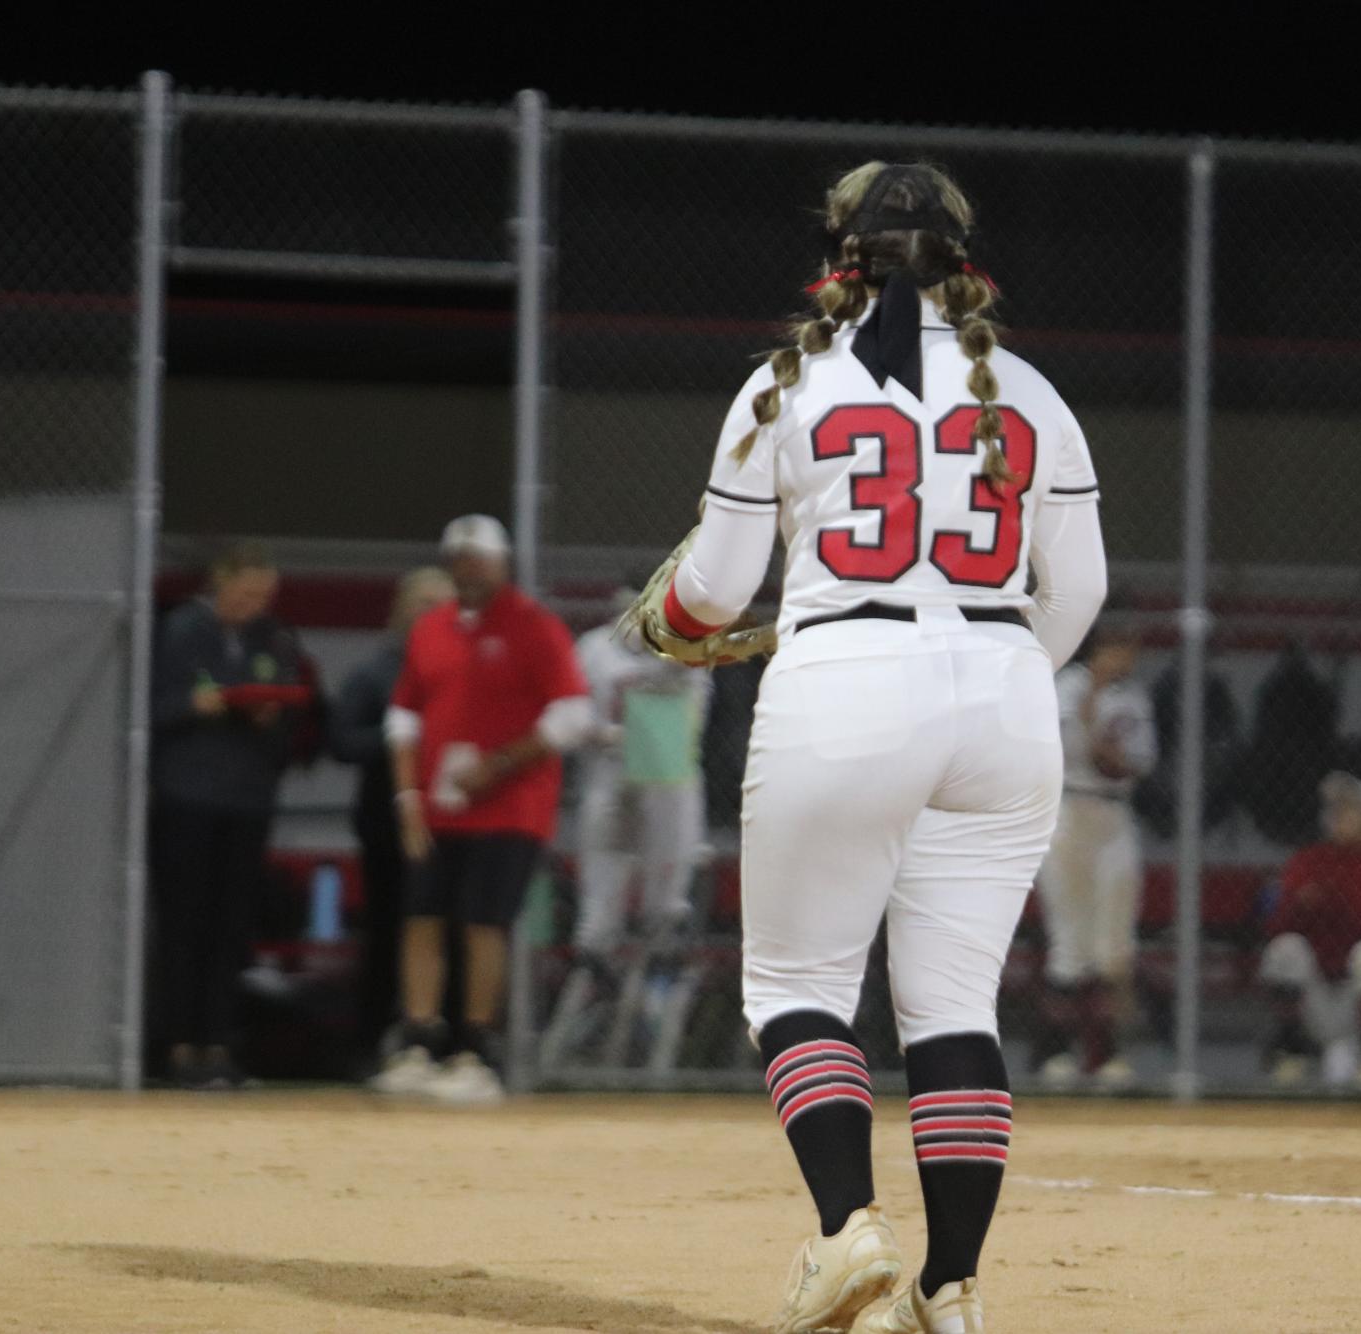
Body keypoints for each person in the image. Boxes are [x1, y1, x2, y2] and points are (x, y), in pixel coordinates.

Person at [623, 162, 1106, 1333]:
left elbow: (716, 589)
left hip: (845, 677)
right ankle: (954, 1291)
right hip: (1003, 694)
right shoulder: (1032, 393)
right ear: (964, 259)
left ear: (839, 254)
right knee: (952, 1006)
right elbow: (1078, 591)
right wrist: (984, 674)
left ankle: (850, 1231)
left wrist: (670, 625)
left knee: (797, 987)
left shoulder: (785, 385)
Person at [373, 516, 594, 1105]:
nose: (468, 567)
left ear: (502, 563)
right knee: (421, 919)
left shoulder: (534, 627)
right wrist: (409, 803)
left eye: (479, 558)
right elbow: (404, 719)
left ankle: (475, 1047)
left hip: (508, 810)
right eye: (459, 557)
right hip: (439, 808)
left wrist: (496, 766)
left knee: (482, 922)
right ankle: (420, 1040)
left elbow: (571, 716)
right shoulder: (431, 630)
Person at [148, 541, 311, 1088]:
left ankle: (219, 1045)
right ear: (220, 582)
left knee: (229, 926)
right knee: (184, 923)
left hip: (246, 798)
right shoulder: (180, 631)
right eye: (245, 593)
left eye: (264, 596)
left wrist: (269, 717)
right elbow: (148, 711)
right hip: (187, 798)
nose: (254, 604)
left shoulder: (274, 638)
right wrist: (195, 706)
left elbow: (296, 717)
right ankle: (178, 1046)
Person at [327, 566, 455, 1073]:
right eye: (422, 602)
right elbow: (341, 741)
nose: (431, 613)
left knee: (449, 933)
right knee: (387, 933)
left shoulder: (460, 666)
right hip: (386, 823)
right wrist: (398, 742)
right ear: (401, 609)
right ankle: (373, 1044)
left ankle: (441, 1042)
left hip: (452, 824)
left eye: (441, 603)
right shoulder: (376, 672)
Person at [1032, 625, 1156, 1089]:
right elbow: (1067, 754)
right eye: (1115, 647)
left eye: (1128, 648)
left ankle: (1106, 1055)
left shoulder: (1134, 698)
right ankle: (1055, 1052)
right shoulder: (1066, 686)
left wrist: (1103, 742)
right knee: (1069, 940)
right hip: (1067, 812)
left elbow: (1134, 763)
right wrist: (1090, 711)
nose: (1122, 657)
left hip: (1114, 816)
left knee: (1114, 946)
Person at [1258, 773, 1361, 1089]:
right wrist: (1300, 907)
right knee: (1286, 949)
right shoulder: (1308, 861)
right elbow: (1275, 929)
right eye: (1335, 807)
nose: (1337, 815)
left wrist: (1338, 903)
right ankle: (1291, 1049)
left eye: (1350, 808)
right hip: (1316, 996)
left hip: (1358, 998)